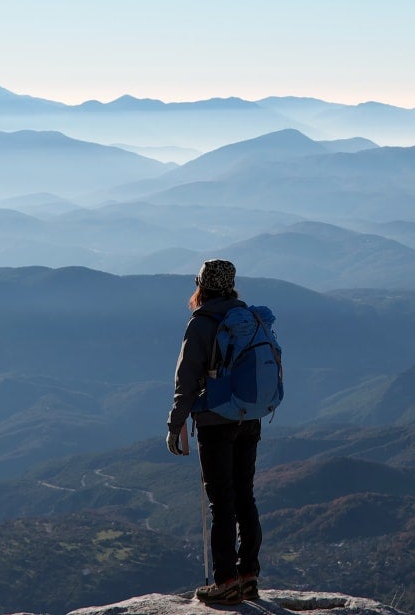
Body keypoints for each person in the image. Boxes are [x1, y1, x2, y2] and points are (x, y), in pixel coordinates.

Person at [166, 259, 262, 606]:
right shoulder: (248, 318)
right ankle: (249, 575)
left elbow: (187, 379)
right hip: (249, 418)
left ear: (201, 286)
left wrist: (176, 424)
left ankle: (225, 581)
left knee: (221, 502)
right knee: (244, 496)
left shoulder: (202, 323)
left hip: (215, 423)